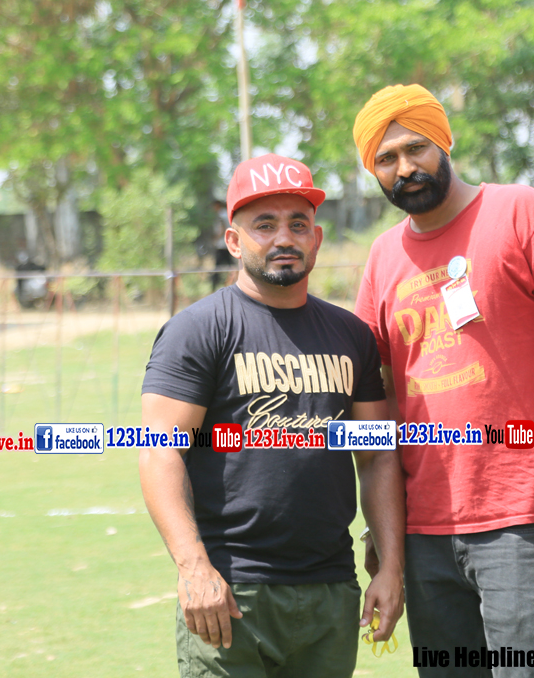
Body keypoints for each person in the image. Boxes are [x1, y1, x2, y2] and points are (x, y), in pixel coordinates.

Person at [351, 84, 534, 677]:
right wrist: (385, 530)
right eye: (386, 158)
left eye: (416, 148)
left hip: (522, 520)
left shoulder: (520, 211)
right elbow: (380, 400)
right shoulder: (382, 258)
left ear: (445, 141)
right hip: (424, 530)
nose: (405, 168)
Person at [138, 153, 406, 678]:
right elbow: (159, 451)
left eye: (297, 224)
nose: (284, 237)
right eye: (264, 225)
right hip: (230, 592)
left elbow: (376, 457)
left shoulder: (351, 336)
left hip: (330, 591)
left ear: (317, 238)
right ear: (234, 241)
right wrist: (194, 567)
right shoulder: (199, 330)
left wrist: (391, 566)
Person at [210, 199, 237, 290]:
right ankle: (231, 283)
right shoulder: (227, 214)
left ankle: (214, 286)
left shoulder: (221, 215)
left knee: (218, 267)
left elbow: (222, 228)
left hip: (222, 244)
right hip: (228, 243)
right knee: (231, 266)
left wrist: (216, 238)